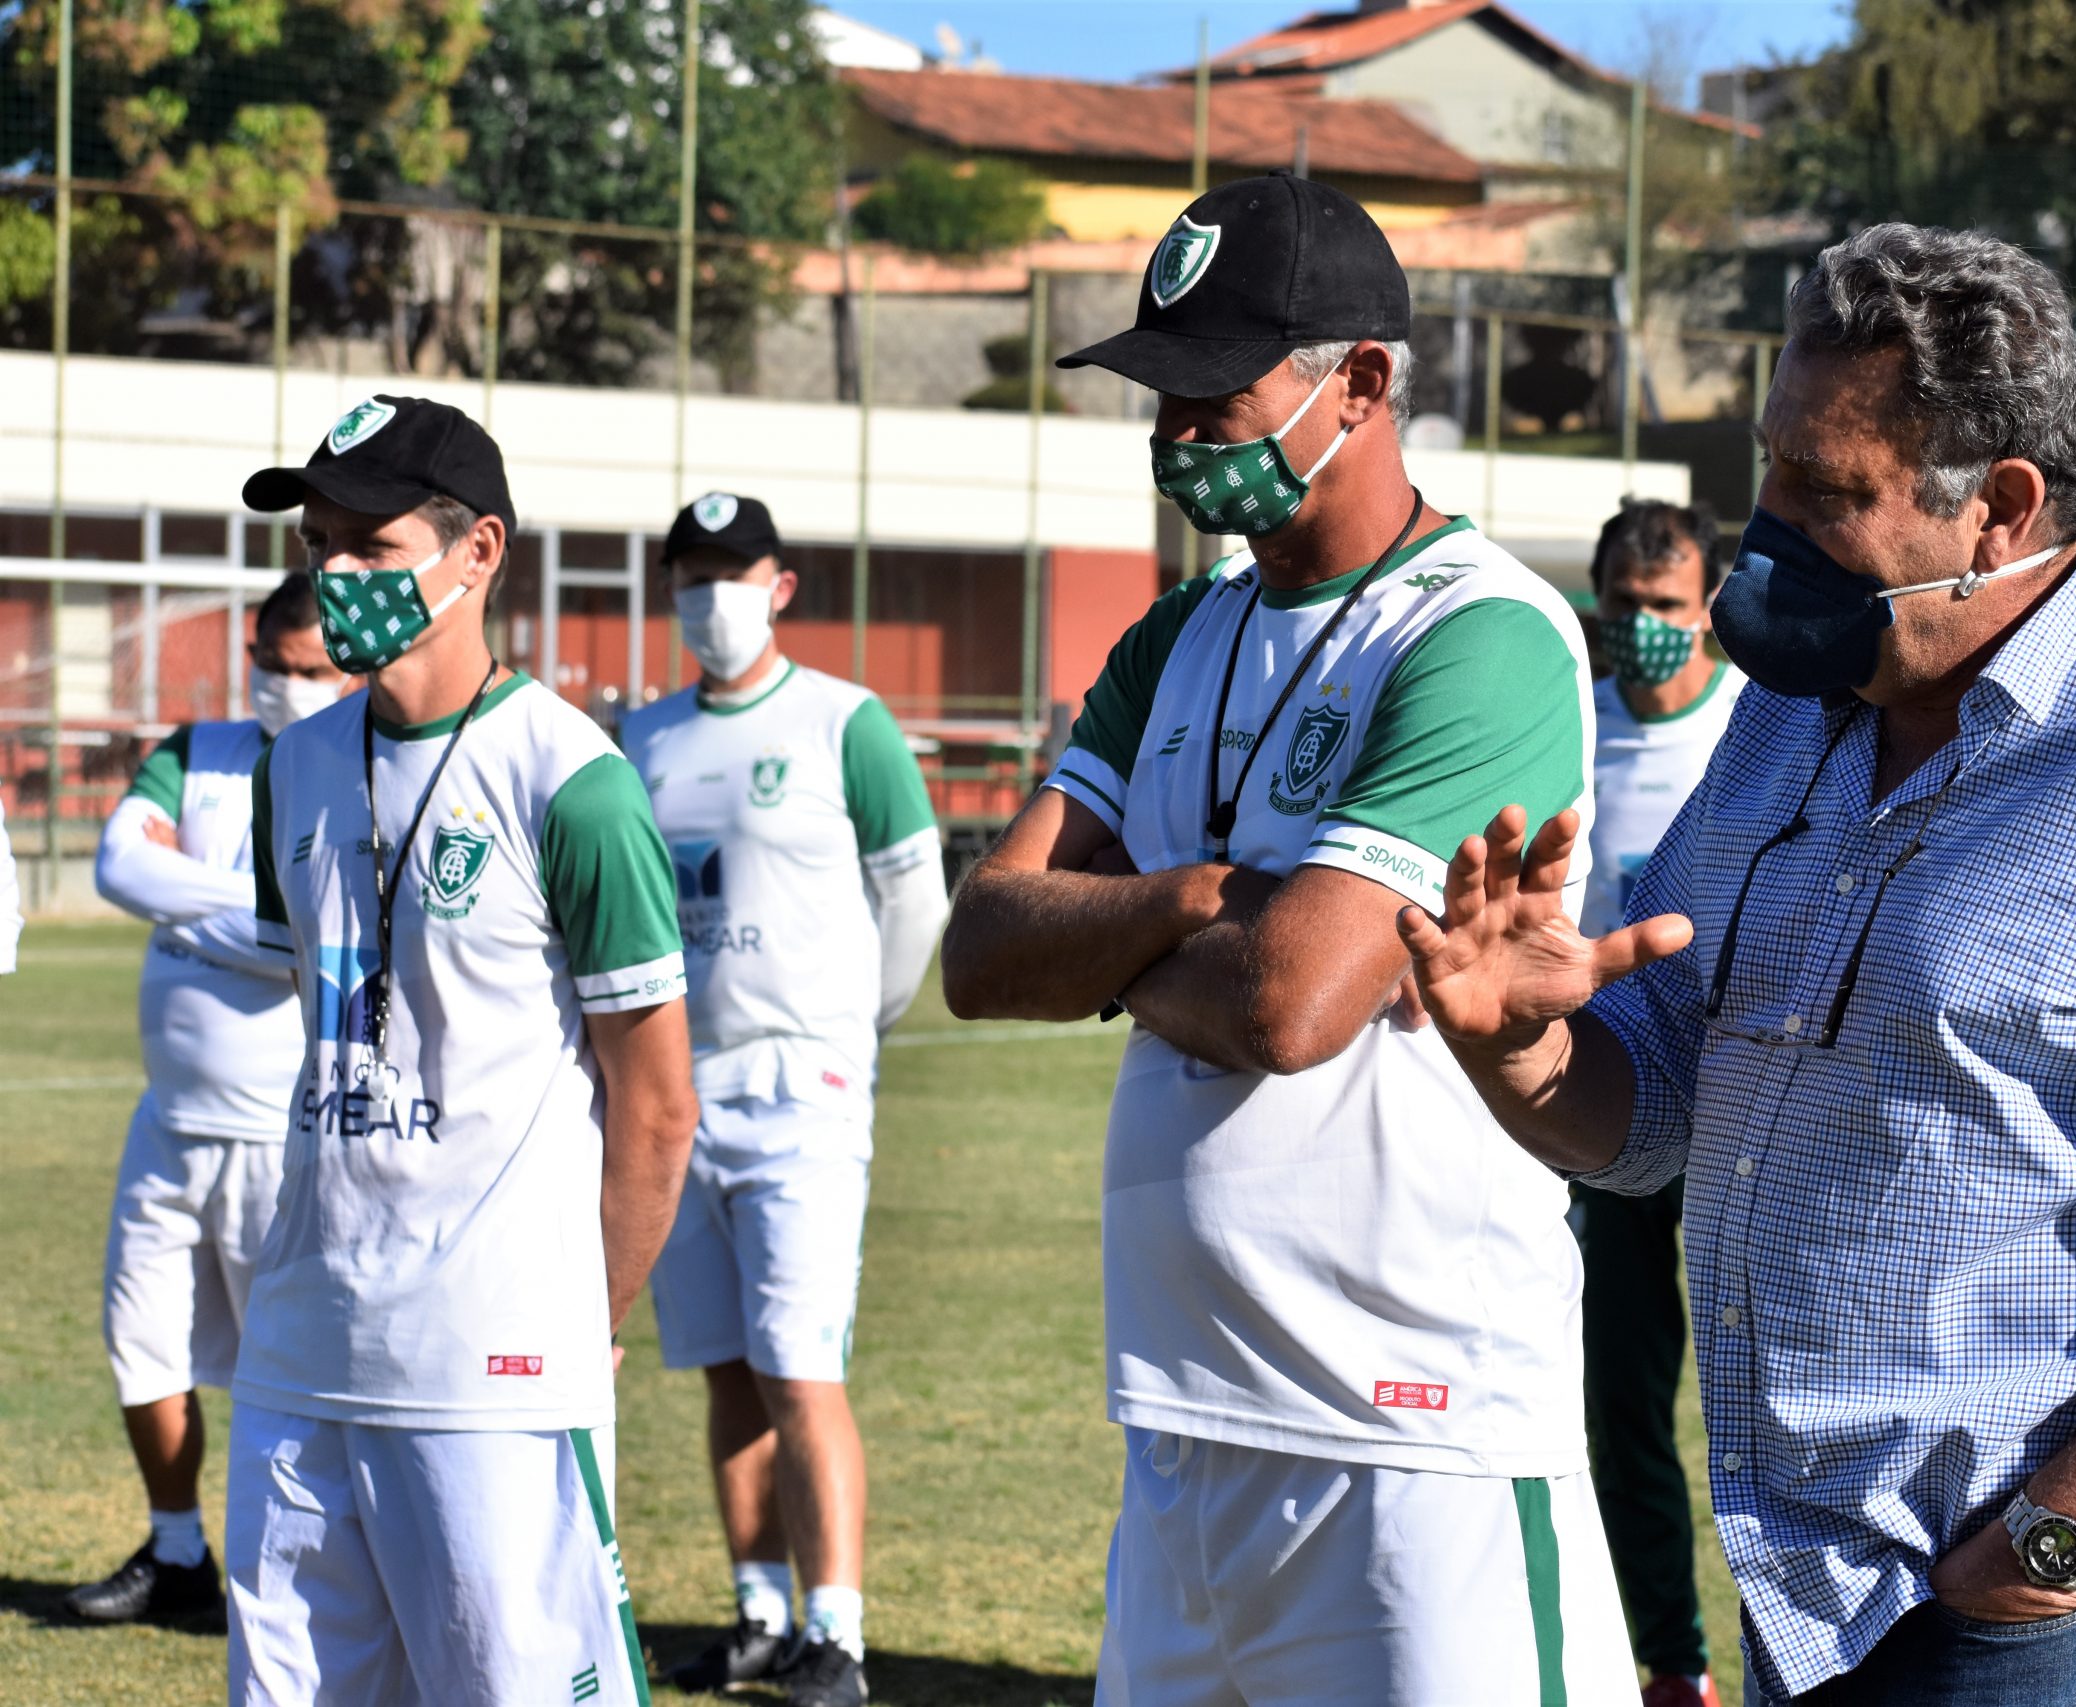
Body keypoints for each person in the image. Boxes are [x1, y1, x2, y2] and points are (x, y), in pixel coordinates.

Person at [1393, 224, 2076, 1705]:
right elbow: (1664, 1099)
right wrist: (1526, 1048)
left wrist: (2046, 1553)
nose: (1768, 526)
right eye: (1772, 468)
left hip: (2069, 1624)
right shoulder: (1794, 711)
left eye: (1827, 490)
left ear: (2001, 508)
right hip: (1819, 1596)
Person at [940, 172, 1640, 1704]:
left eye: (1214, 392)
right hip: (1186, 1421)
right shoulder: (1174, 634)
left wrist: (1128, 935)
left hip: (1415, 1433)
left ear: (1365, 382)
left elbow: (1293, 999)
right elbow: (985, 947)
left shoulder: (1478, 632)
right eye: (1163, 394)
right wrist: (1198, 896)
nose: (1178, 434)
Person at [229, 394, 700, 1705]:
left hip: (492, 1370)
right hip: (299, 1350)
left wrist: (572, 1322)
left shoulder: (576, 781)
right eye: (320, 542)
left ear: (478, 550)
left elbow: (658, 1110)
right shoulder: (296, 769)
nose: (337, 575)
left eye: (372, 546)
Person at [622, 492, 945, 1705]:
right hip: (678, 1093)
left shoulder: (842, 722)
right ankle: (757, 1612)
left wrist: (855, 1029)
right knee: (726, 1369)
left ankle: (839, 1632)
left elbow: (914, 900)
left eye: (730, 572)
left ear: (781, 584)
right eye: (689, 576)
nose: (709, 597)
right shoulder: (643, 739)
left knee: (803, 1368)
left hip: (799, 1084)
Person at [67, 573, 345, 1628]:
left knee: (286, 1373)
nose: (284, 687)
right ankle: (177, 1553)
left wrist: (189, 912)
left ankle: (297, 1578)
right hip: (167, 1122)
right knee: (141, 1345)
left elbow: (307, 942)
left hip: (281, 1131)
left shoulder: (351, 761)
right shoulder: (199, 746)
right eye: (271, 665)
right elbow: (117, 865)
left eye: (309, 669)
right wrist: (254, 910)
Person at [1574, 499, 1740, 1707]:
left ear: (1709, 611)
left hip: (1743, 1101)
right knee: (1618, 1394)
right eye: (1625, 609)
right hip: (1601, 1098)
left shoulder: (1760, 729)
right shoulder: (1564, 730)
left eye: (1667, 611)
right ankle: (1668, 1666)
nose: (1646, 631)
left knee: (1772, 1394)